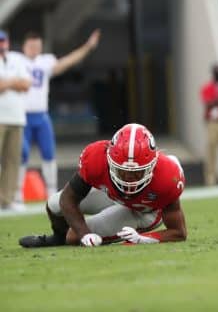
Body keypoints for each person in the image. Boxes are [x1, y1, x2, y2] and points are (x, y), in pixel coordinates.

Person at [19, 123, 187, 247]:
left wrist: (143, 239)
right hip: (112, 194)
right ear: (110, 160)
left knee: (73, 237)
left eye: (137, 172)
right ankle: (57, 238)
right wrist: (85, 234)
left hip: (142, 211)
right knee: (53, 203)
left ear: (152, 165)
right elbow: (67, 199)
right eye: (122, 171)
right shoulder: (96, 158)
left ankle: (66, 239)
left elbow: (179, 232)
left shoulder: (168, 177)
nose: (129, 178)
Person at [16, 30, 100, 205]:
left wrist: (87, 47)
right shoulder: (16, 61)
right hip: (22, 116)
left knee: (49, 153)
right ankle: (17, 194)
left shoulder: (44, 61)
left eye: (37, 46)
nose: (34, 50)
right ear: (24, 47)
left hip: (41, 115)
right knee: (21, 154)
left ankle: (51, 192)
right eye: (31, 46)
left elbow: (67, 62)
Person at [0, 30, 31, 210]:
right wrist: (14, 82)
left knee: (12, 160)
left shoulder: (17, 59)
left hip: (17, 118)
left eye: (3, 41)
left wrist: (7, 83)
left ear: (8, 42)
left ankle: (7, 199)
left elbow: (26, 84)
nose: (2, 45)